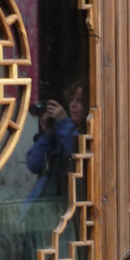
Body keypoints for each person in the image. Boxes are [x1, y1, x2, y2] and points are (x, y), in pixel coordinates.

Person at [23, 81, 86, 214]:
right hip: (47, 208)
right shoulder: (61, 132)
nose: (73, 105)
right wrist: (47, 134)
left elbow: (78, 153)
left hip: (74, 206)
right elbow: (33, 165)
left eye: (79, 101)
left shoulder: (85, 133)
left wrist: (63, 122)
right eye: (71, 100)